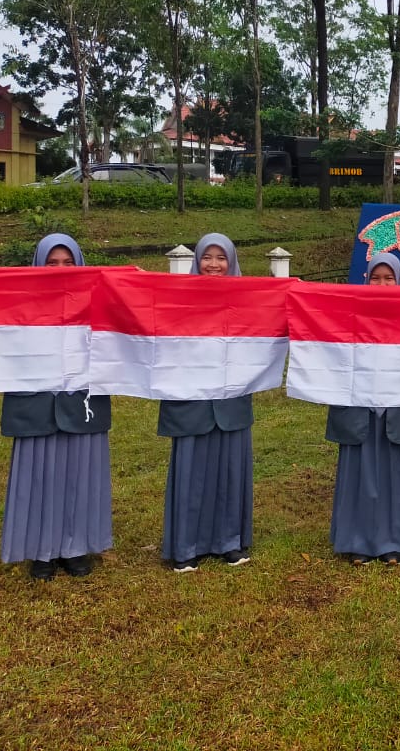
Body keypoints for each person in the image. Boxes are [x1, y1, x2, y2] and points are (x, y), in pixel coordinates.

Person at [0, 234, 112, 581]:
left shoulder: (98, 300)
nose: (61, 270)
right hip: (35, 403)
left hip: (82, 401)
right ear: (39, 266)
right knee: (39, 474)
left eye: (68, 263)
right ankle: (41, 551)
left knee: (80, 472)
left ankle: (76, 547)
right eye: (52, 263)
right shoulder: (17, 302)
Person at [158, 233, 255, 573]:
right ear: (196, 261)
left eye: (221, 257)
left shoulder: (250, 302)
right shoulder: (176, 301)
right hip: (190, 401)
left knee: (230, 470)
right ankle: (185, 546)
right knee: (191, 471)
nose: (214, 264)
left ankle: (229, 541)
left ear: (232, 262)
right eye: (207, 257)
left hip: (231, 400)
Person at [326, 254, 400, 565]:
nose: (382, 285)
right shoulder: (349, 315)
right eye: (376, 278)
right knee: (360, 471)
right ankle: (358, 540)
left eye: (389, 278)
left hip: (398, 409)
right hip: (361, 408)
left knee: (397, 472)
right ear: (366, 279)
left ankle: (398, 541)